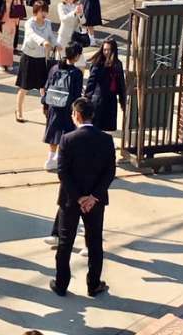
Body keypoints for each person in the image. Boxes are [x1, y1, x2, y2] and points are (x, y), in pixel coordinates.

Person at [50, 97, 116, 297]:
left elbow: (63, 173)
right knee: (94, 242)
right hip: (96, 202)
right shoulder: (106, 139)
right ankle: (93, 285)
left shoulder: (67, 139)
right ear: (91, 115)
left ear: (77, 115)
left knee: (65, 242)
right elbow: (110, 172)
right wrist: (93, 197)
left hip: (70, 200)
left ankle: (61, 284)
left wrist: (79, 198)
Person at [16, 0, 60, 122]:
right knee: (24, 87)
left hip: (41, 58)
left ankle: (47, 110)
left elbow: (51, 36)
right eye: (41, 11)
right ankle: (19, 111)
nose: (44, 14)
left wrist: (56, 44)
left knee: (43, 87)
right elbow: (32, 35)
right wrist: (43, 41)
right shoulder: (29, 23)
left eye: (45, 11)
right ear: (36, 12)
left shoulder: (48, 23)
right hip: (29, 57)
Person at [42, 42, 83, 171]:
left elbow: (47, 86)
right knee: (66, 134)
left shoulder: (55, 68)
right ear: (77, 56)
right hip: (67, 107)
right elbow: (77, 94)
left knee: (53, 132)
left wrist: (45, 104)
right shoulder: (76, 73)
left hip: (53, 105)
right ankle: (59, 158)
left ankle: (50, 159)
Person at [85, 39, 126, 131]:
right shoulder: (98, 63)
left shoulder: (118, 64)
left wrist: (122, 100)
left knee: (106, 128)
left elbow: (121, 83)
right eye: (105, 50)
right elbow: (91, 82)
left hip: (111, 100)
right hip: (98, 100)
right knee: (96, 127)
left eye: (109, 50)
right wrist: (87, 98)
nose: (106, 52)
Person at [57, 0, 86, 69]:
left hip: (75, 37)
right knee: (62, 61)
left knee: (80, 61)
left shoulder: (77, 5)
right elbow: (63, 18)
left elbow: (83, 21)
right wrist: (74, 12)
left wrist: (81, 14)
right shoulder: (61, 5)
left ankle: (78, 76)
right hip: (64, 36)